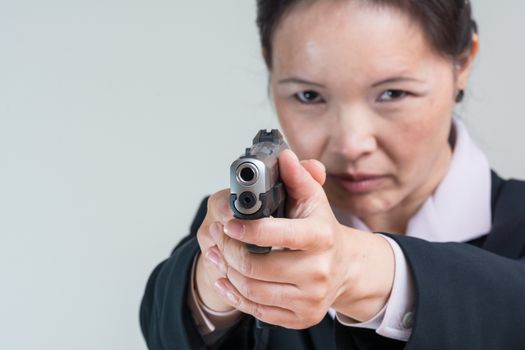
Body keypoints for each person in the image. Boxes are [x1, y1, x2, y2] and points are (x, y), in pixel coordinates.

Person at [140, 0, 525, 349]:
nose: (350, 144)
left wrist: (365, 272)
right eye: (309, 96)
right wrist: (213, 287)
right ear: (271, 70)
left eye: (392, 93)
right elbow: (164, 328)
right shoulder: (244, 224)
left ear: (463, 64)